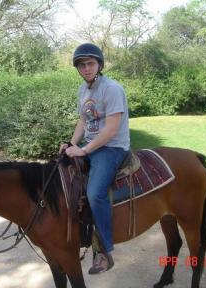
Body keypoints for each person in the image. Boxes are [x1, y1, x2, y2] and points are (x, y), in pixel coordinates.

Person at [59, 43, 130, 274]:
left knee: (94, 192)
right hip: (91, 145)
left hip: (111, 148)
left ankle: (105, 250)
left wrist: (84, 150)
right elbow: (83, 121)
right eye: (81, 65)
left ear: (99, 65)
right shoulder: (83, 90)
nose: (86, 68)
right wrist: (71, 144)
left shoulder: (112, 89)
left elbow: (110, 130)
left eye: (90, 63)